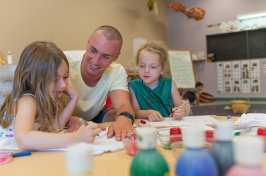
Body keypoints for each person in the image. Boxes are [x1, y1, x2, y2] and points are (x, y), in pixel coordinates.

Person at [0, 41, 102, 150]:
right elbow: (23, 140)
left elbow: (54, 127)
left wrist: (74, 98)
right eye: (54, 79)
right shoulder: (27, 101)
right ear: (30, 79)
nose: (63, 85)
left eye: (65, 77)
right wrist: (75, 138)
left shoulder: (45, 99)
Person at [63, 25, 135, 141]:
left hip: (91, 120)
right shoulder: (63, 61)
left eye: (105, 56)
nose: (96, 61)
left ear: (116, 57)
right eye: (93, 50)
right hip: (60, 121)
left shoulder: (116, 70)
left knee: (117, 115)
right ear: (88, 43)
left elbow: (123, 105)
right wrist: (69, 119)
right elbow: (43, 108)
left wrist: (123, 119)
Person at [128, 40, 185, 122]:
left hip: (169, 125)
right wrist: (148, 113)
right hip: (146, 128)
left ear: (162, 69)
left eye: (153, 67)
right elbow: (135, 112)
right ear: (137, 65)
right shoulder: (133, 86)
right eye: (142, 66)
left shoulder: (169, 82)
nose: (146, 70)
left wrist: (180, 111)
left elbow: (179, 104)